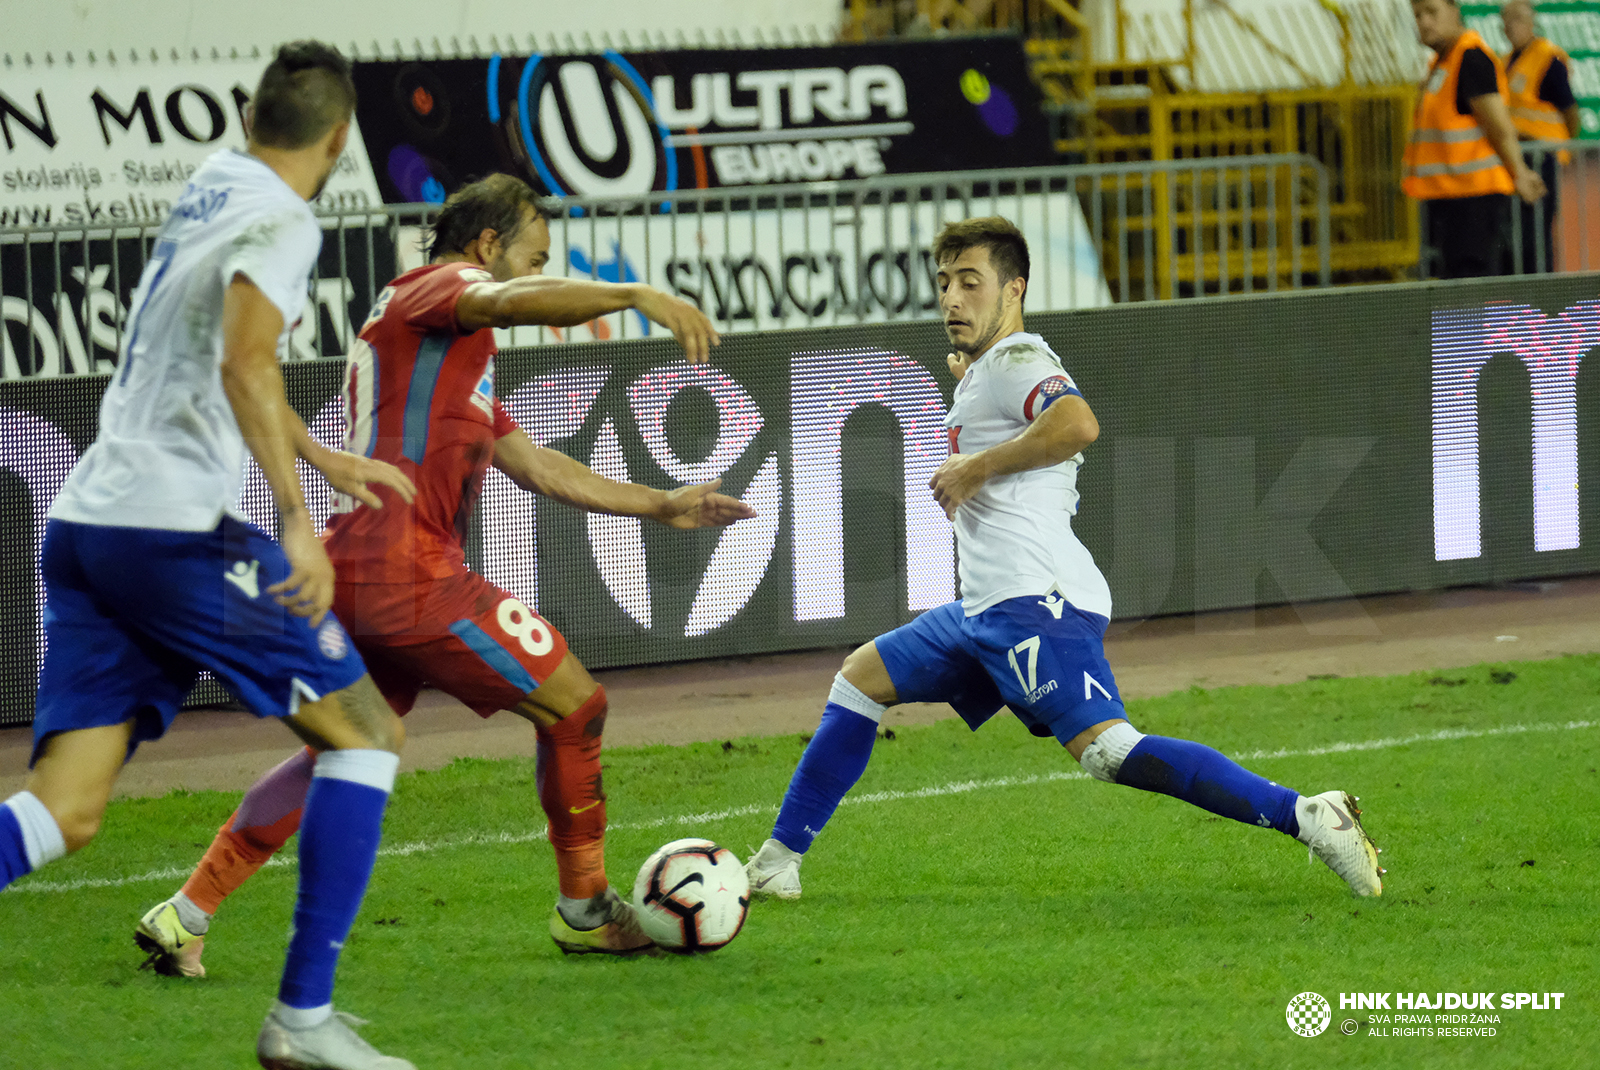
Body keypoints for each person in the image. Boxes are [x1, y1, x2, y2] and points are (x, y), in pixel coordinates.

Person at [133, 173, 755, 978]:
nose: (539, 274)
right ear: (489, 245)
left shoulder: (442, 348)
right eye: (534, 257)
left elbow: (533, 465)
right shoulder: (443, 288)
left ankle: (186, 913)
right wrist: (632, 292)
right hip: (409, 573)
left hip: (354, 570)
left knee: (343, 751)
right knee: (576, 706)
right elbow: (500, 301)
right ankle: (586, 909)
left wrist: (660, 504)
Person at [743, 217, 1385, 902]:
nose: (952, 299)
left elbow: (1078, 422)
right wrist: (974, 386)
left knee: (1109, 753)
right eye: (944, 284)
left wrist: (975, 467)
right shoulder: (992, 369)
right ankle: (778, 861)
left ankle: (1309, 817)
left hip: (1033, 599)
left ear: (1013, 288)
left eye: (971, 282)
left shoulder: (1018, 360)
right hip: (987, 606)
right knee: (860, 679)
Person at [0, 43, 424, 1070]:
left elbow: (216, 355)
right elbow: (244, 357)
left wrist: (318, 450)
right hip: (170, 530)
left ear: (249, 117)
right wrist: (293, 512)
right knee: (364, 731)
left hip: (88, 525)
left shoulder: (213, 182)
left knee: (65, 809)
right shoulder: (284, 216)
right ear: (337, 139)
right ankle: (304, 1020)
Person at [1404, 0, 1547, 279]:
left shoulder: (1470, 58)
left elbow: (1498, 126)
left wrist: (1519, 172)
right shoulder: (1443, 62)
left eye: (1432, 12)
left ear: (1454, 11)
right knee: (1454, 291)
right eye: (1418, 15)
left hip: (1473, 201)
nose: (1424, 22)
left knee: (1470, 289)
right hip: (1449, 197)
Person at [1500, 0, 1581, 274]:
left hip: (1542, 157)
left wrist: (1560, 147)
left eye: (1517, 19)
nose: (1510, 26)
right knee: (1518, 234)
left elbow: (1570, 112)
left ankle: (1542, 300)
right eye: (1506, 20)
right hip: (1517, 156)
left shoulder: (1548, 59)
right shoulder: (1506, 62)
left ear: (1531, 22)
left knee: (1537, 234)